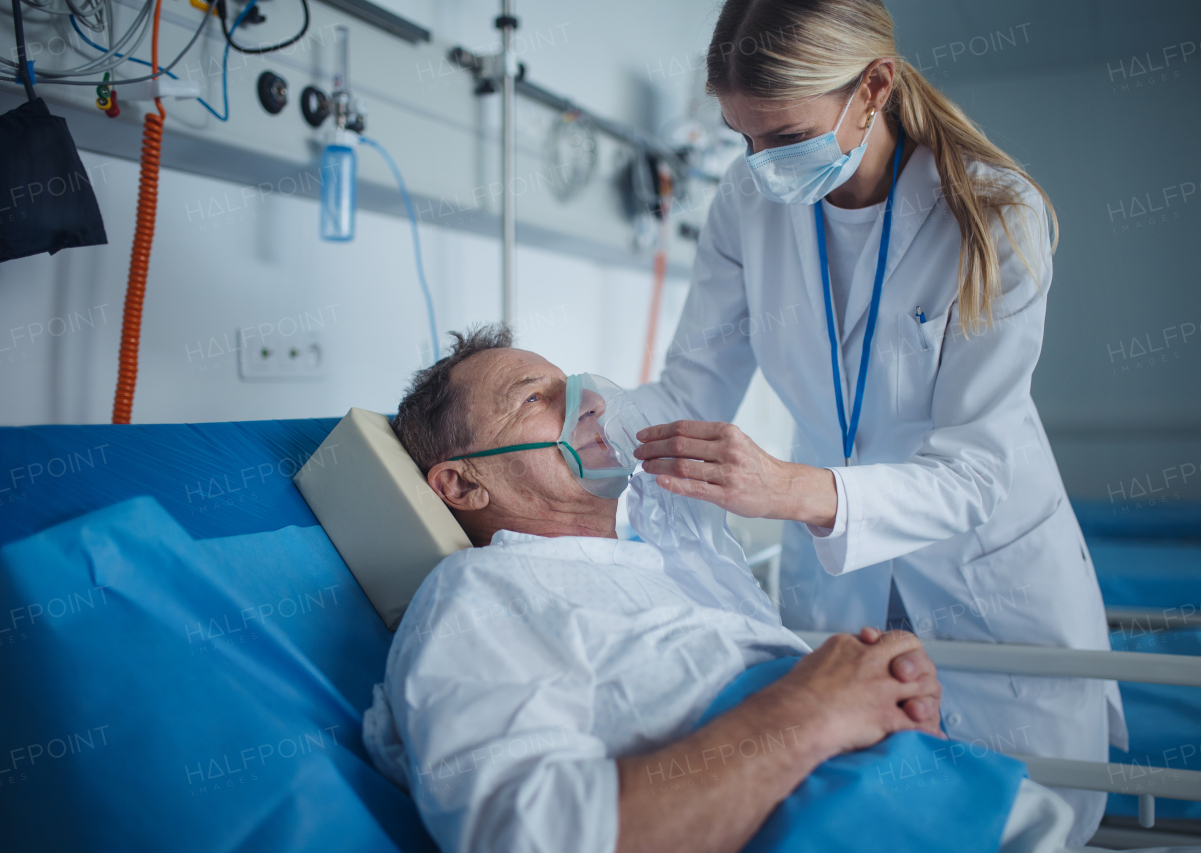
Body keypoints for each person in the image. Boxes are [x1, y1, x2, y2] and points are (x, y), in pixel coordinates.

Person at [627, 0, 1124, 844]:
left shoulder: (996, 216)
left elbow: (971, 475)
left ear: (874, 87)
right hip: (839, 580)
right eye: (740, 137)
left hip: (986, 578)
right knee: (856, 817)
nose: (759, 164)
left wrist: (786, 488)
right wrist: (590, 408)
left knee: (1022, 819)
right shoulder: (747, 202)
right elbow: (688, 391)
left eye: (784, 137)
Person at [363, 325, 1073, 853]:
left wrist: (880, 698)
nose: (589, 402)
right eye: (534, 398)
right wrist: (812, 708)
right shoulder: (478, 593)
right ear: (461, 481)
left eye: (570, 381)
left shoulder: (663, 561)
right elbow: (531, 834)